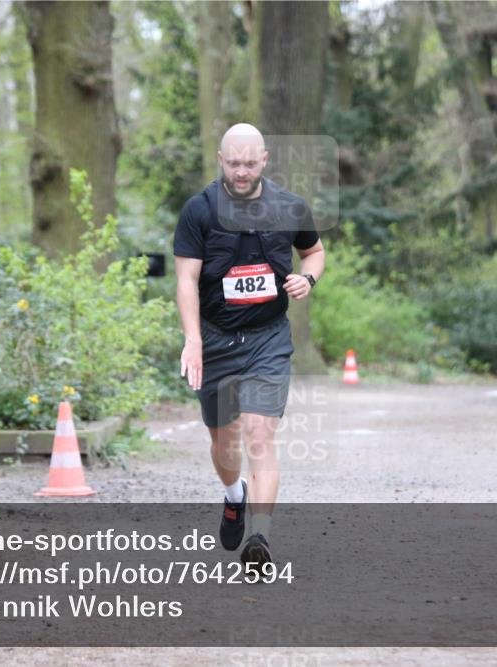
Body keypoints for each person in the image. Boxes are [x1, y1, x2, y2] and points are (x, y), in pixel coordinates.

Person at [173, 123, 325, 567]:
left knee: (259, 434)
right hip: (217, 339)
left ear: (264, 160)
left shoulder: (289, 207)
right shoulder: (198, 211)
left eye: (249, 163)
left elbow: (314, 252)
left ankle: (260, 538)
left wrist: (308, 277)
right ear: (221, 161)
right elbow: (186, 280)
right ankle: (233, 495)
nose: (241, 172)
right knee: (224, 444)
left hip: (267, 338)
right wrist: (193, 340)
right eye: (233, 163)